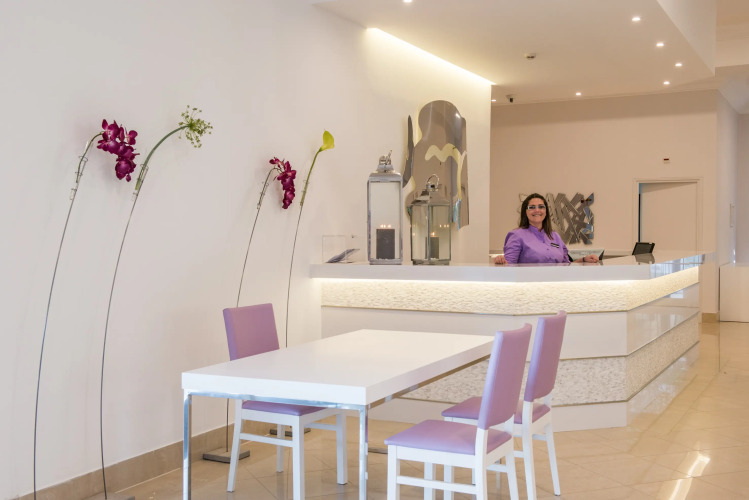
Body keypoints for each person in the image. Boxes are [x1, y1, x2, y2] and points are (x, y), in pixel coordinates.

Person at [494, 193, 599, 265]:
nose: (537, 210)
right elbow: (508, 267)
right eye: (532, 207)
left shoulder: (555, 236)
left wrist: (583, 260)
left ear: (546, 211)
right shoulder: (516, 235)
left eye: (541, 207)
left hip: (556, 286)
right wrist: (501, 261)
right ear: (525, 212)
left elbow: (565, 265)